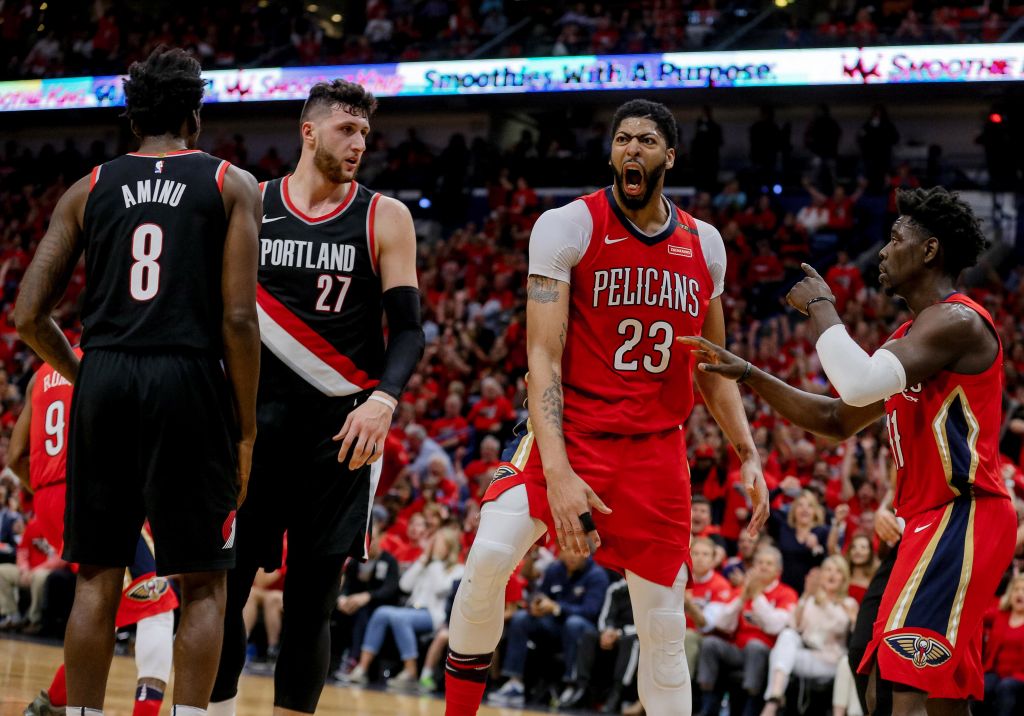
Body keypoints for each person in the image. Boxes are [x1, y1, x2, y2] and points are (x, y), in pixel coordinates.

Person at [444, 99, 769, 716]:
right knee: (487, 558)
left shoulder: (707, 244)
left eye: (647, 141)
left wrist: (748, 454)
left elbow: (712, 364)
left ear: (669, 156)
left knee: (665, 630)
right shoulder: (568, 225)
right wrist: (561, 471)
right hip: (570, 432)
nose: (631, 151)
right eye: (622, 140)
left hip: (655, 449)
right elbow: (542, 356)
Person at [682, 186, 1017, 715]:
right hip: (933, 520)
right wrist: (749, 373)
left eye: (895, 239)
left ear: (929, 250)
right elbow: (836, 418)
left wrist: (820, 306)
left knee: (896, 683)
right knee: (935, 693)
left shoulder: (958, 320)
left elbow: (856, 384)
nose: (883, 251)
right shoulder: (911, 336)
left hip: (963, 513)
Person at [14, 47, 261, 716]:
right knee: (203, 581)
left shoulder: (86, 188)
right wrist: (244, 430)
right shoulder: (231, 184)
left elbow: (28, 315)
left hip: (109, 372)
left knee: (97, 576)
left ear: (131, 119)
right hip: (187, 376)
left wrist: (84, 373)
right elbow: (239, 319)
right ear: (195, 114)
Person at [209, 78, 424, 715]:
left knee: (310, 605)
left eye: (364, 132)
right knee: (225, 588)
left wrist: (385, 399)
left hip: (340, 435)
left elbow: (409, 330)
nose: (358, 142)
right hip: (250, 428)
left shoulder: (386, 215)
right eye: (345, 129)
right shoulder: (251, 200)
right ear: (308, 131)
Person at [8, 358, 179, 716]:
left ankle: (52, 703)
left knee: (103, 606)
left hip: (48, 499)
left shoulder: (41, 373)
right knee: (156, 603)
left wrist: (51, 496)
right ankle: (144, 713)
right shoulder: (114, 358)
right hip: (96, 491)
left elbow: (15, 456)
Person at [760, 556, 859, 716]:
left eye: (838, 571)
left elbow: (847, 631)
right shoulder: (811, 599)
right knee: (786, 636)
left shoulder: (849, 603)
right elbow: (793, 625)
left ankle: (771, 704)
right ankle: (774, 698)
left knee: (778, 653)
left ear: (844, 577)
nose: (832, 575)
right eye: (828, 570)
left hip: (830, 661)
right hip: (806, 655)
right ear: (821, 575)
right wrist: (805, 595)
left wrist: (854, 619)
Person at [982, 573, 1024, 715]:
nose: (1020, 594)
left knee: (1006, 687)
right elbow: (978, 616)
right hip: (996, 672)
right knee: (983, 685)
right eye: (1016, 589)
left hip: (1019, 676)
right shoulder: (1000, 615)